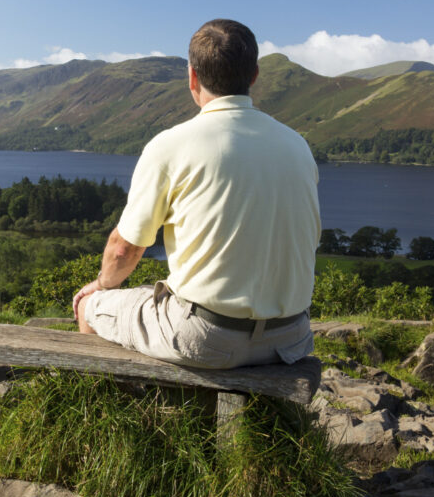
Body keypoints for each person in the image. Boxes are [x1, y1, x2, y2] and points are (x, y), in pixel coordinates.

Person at [73, 19, 321, 369]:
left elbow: (124, 249)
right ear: (253, 75)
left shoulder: (172, 144)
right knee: (156, 294)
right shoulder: (297, 145)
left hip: (210, 338)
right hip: (291, 337)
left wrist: (99, 285)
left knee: (93, 305)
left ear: (192, 77)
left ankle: (107, 412)